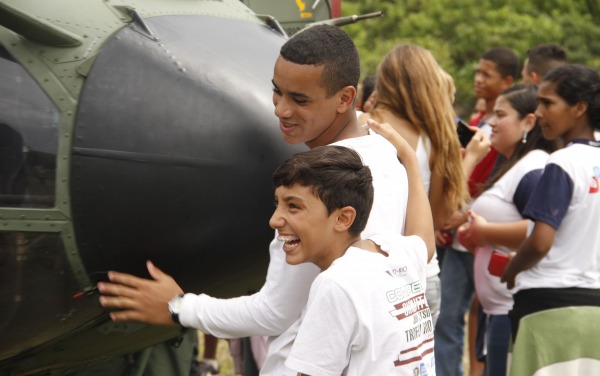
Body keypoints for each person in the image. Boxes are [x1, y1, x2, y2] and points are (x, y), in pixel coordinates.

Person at [97, 24, 410, 375]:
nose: (280, 110)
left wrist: (179, 308)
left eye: (300, 100)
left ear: (344, 98)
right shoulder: (385, 154)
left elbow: (275, 311)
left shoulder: (318, 182)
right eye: (278, 92)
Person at [280, 125, 435, 375]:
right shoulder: (394, 253)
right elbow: (424, 241)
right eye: (277, 204)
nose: (275, 220)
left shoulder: (335, 284)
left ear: (343, 218)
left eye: (294, 207)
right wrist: (411, 162)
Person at [359, 44, 469, 327]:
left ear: (385, 81)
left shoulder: (364, 126)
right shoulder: (438, 138)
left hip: (372, 271)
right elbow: (438, 218)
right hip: (423, 274)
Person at [456, 85, 556, 376]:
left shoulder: (534, 168)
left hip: (513, 311)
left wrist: (485, 234)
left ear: (528, 122)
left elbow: (541, 228)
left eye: (500, 115)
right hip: (499, 311)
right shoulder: (515, 164)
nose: (491, 123)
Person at [435, 47, 520, 376]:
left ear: (508, 81)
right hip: (458, 233)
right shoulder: (475, 122)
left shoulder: (513, 142)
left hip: (475, 231)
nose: (479, 79)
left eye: (487, 74)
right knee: (452, 314)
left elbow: (491, 181)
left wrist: (462, 213)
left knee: (479, 311)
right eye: (477, 72)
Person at [501, 64, 600, 337]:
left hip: (548, 303)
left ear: (579, 108)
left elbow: (541, 242)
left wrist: (513, 268)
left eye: (548, 103)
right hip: (594, 306)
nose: (539, 113)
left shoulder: (562, 162)